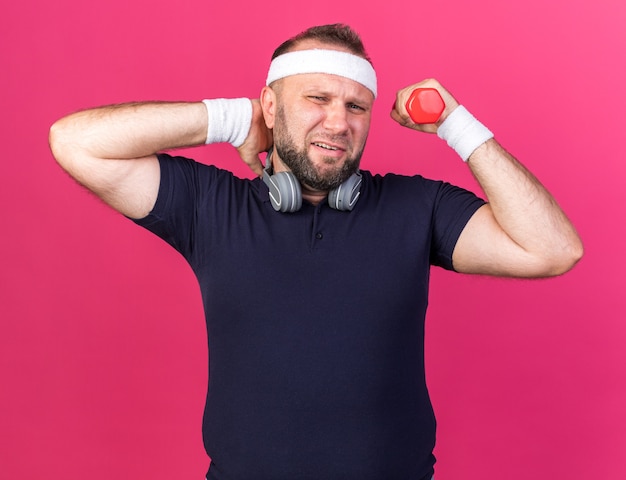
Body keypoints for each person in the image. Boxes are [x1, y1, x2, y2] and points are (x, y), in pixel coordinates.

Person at [49, 24, 583, 480]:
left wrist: (456, 126)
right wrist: (229, 119)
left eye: (356, 106)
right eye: (317, 99)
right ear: (271, 105)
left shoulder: (417, 206)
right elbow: (76, 142)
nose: (338, 122)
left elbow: (553, 250)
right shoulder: (210, 206)